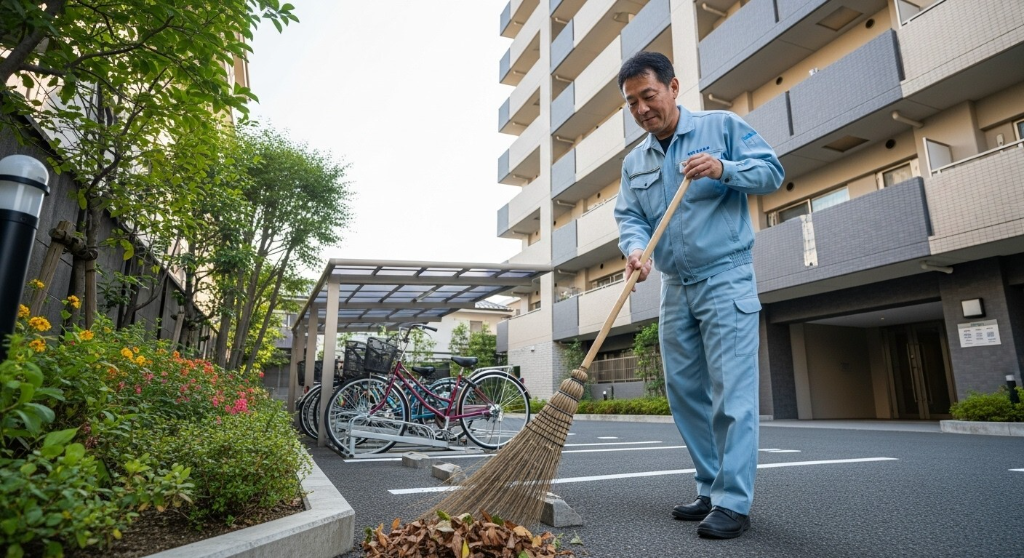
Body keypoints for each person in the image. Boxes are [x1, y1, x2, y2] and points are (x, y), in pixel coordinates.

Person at [613, 51, 783, 539]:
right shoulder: (635, 161)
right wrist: (635, 249)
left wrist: (724, 168)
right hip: (673, 284)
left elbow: (772, 171)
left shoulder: (721, 127)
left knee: (732, 394)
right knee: (685, 393)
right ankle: (710, 487)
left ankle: (733, 501)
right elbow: (630, 217)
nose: (643, 109)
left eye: (649, 95)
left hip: (725, 276)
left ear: (672, 87)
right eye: (632, 103)